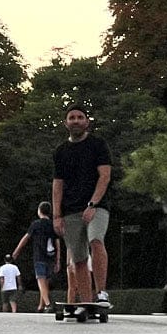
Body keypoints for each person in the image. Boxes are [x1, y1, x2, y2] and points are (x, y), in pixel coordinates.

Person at [52, 105, 111, 306]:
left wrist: (93, 203)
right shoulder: (61, 151)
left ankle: (101, 292)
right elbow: (57, 185)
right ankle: (86, 302)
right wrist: (57, 215)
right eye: (72, 117)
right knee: (78, 258)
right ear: (66, 123)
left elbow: (105, 176)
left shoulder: (97, 145)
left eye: (80, 117)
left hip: (96, 206)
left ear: (87, 122)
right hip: (70, 210)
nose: (76, 121)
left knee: (96, 240)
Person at [12, 201, 59, 311]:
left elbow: (26, 238)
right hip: (51, 256)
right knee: (46, 280)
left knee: (41, 279)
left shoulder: (36, 224)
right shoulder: (53, 225)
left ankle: (47, 304)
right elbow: (57, 243)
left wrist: (16, 251)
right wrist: (58, 259)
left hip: (39, 256)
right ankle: (41, 306)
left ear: (39, 210)